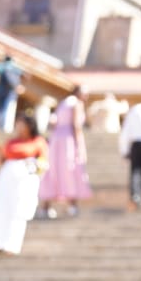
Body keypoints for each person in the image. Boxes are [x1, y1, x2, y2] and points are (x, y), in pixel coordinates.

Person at [0, 114, 47, 257]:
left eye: (21, 124)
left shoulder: (38, 142)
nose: (18, 127)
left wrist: (33, 168)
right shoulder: (11, 142)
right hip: (7, 177)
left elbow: (43, 163)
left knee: (18, 210)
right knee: (1, 209)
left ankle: (12, 244)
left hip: (25, 178)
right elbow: (2, 160)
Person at [37, 85, 92, 219]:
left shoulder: (63, 103)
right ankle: (72, 206)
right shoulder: (76, 103)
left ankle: (46, 207)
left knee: (54, 170)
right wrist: (79, 145)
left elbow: (53, 122)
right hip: (68, 140)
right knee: (70, 170)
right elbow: (76, 125)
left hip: (56, 139)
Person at [0, 55, 24, 133]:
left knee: (0, 111)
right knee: (4, 111)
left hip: (1, 92)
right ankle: (1, 129)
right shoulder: (11, 67)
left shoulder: (3, 66)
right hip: (8, 94)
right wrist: (17, 86)